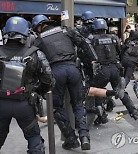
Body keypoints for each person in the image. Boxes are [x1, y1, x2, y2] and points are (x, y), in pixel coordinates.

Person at [32, 14, 95, 150]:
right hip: (73, 70)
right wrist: (92, 62)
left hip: (56, 72)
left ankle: (71, 139)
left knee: (57, 107)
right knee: (78, 104)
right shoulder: (65, 30)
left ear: (39, 26)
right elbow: (84, 43)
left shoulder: (39, 39)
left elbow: (36, 61)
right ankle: (84, 135)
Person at [0, 16, 55, 154]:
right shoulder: (35, 53)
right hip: (24, 104)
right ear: (27, 33)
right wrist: (39, 92)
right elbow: (48, 79)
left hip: (1, 104)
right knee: (34, 137)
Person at [89, 18, 138, 124]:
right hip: (115, 68)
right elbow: (119, 51)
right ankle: (133, 111)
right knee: (120, 90)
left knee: (98, 92)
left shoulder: (92, 39)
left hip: (101, 70)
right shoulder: (113, 37)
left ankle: (102, 115)